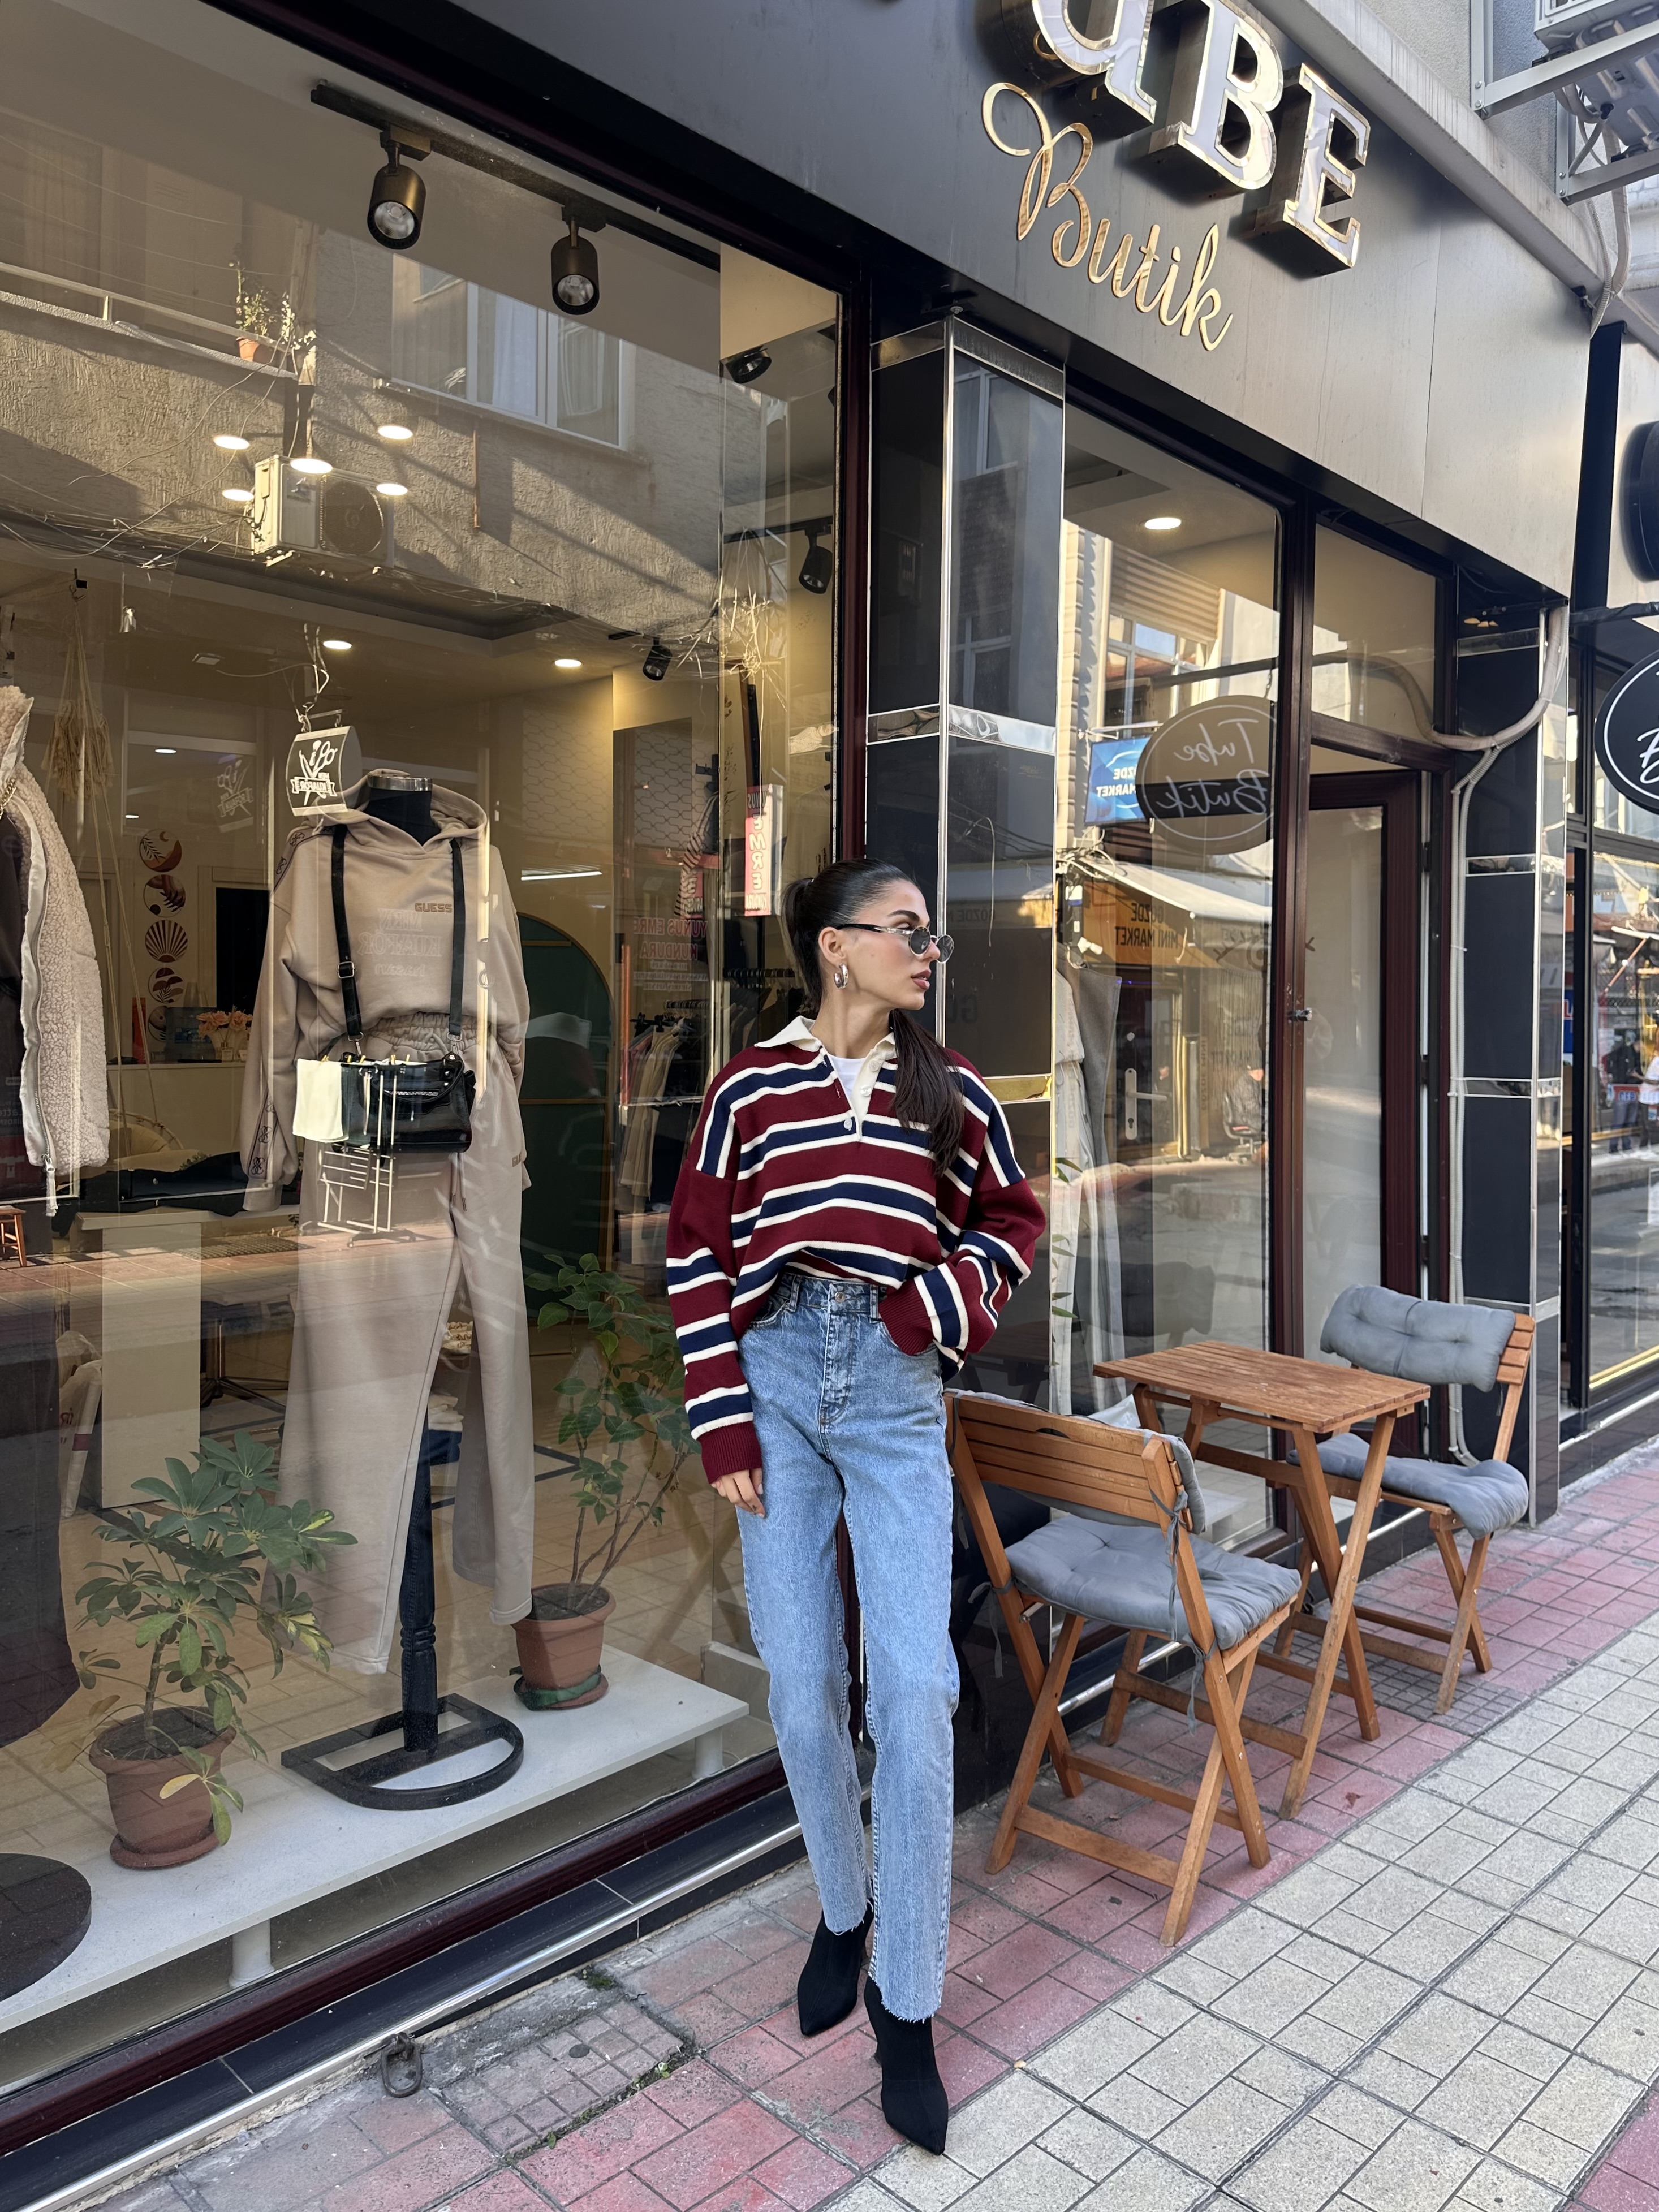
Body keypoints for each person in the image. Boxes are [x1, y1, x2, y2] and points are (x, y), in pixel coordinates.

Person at [667, 858, 1044, 2154]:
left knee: (918, 1692)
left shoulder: (952, 1090)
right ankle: (842, 1907)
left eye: (930, 936)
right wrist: (721, 1415)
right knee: (799, 1679)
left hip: (891, 1392)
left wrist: (935, 1309)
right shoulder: (748, 1087)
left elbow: (1012, 1220)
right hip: (773, 1378)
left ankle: (908, 1999)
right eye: (905, 930)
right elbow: (697, 1249)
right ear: (834, 946)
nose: (928, 951)